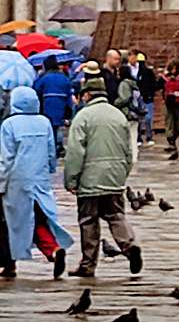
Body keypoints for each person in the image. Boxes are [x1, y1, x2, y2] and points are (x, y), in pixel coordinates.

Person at [61, 67, 140, 278]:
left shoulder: (83, 117)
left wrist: (71, 180)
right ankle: (130, 246)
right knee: (116, 216)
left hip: (90, 180)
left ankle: (88, 265)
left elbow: (75, 152)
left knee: (88, 221)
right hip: (115, 177)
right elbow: (128, 150)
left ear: (87, 95)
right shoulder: (118, 116)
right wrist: (123, 173)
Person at [0, 87, 73, 280]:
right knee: (39, 217)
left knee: (15, 221)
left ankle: (47, 252)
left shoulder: (9, 124)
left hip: (17, 181)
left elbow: (7, 160)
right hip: (40, 178)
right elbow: (51, 152)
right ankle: (44, 254)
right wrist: (49, 171)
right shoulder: (44, 122)